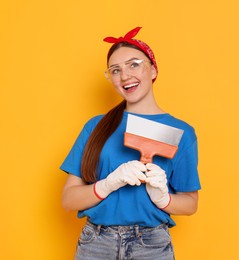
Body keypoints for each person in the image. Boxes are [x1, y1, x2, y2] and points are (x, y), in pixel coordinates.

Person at [60, 27, 201, 260]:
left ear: (153, 69)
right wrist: (107, 184)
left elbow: (190, 204)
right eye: (115, 70)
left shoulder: (181, 133)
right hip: (96, 244)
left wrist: (162, 197)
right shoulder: (96, 126)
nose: (124, 76)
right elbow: (68, 200)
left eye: (134, 64)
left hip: (152, 246)